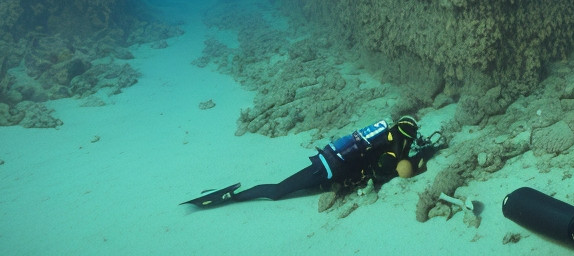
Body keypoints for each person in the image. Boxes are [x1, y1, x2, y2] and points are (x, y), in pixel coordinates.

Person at [181, 116, 443, 208]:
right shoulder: (391, 152)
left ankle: (226, 193)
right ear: (407, 139)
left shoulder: (382, 133)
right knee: (276, 192)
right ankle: (232, 197)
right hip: (328, 169)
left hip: (327, 158)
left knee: (290, 185)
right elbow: (382, 174)